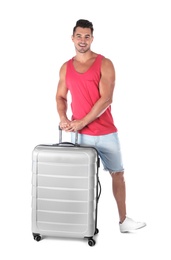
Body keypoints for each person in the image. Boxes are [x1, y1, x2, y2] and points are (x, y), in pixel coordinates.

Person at [56, 19, 146, 233]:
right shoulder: (65, 68)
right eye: (79, 36)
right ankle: (80, 223)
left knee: (118, 174)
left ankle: (124, 222)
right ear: (72, 38)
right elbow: (60, 96)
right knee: (82, 179)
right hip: (81, 136)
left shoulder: (105, 63)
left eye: (87, 36)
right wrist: (63, 117)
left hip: (106, 132)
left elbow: (106, 99)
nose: (82, 40)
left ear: (92, 39)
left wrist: (81, 122)